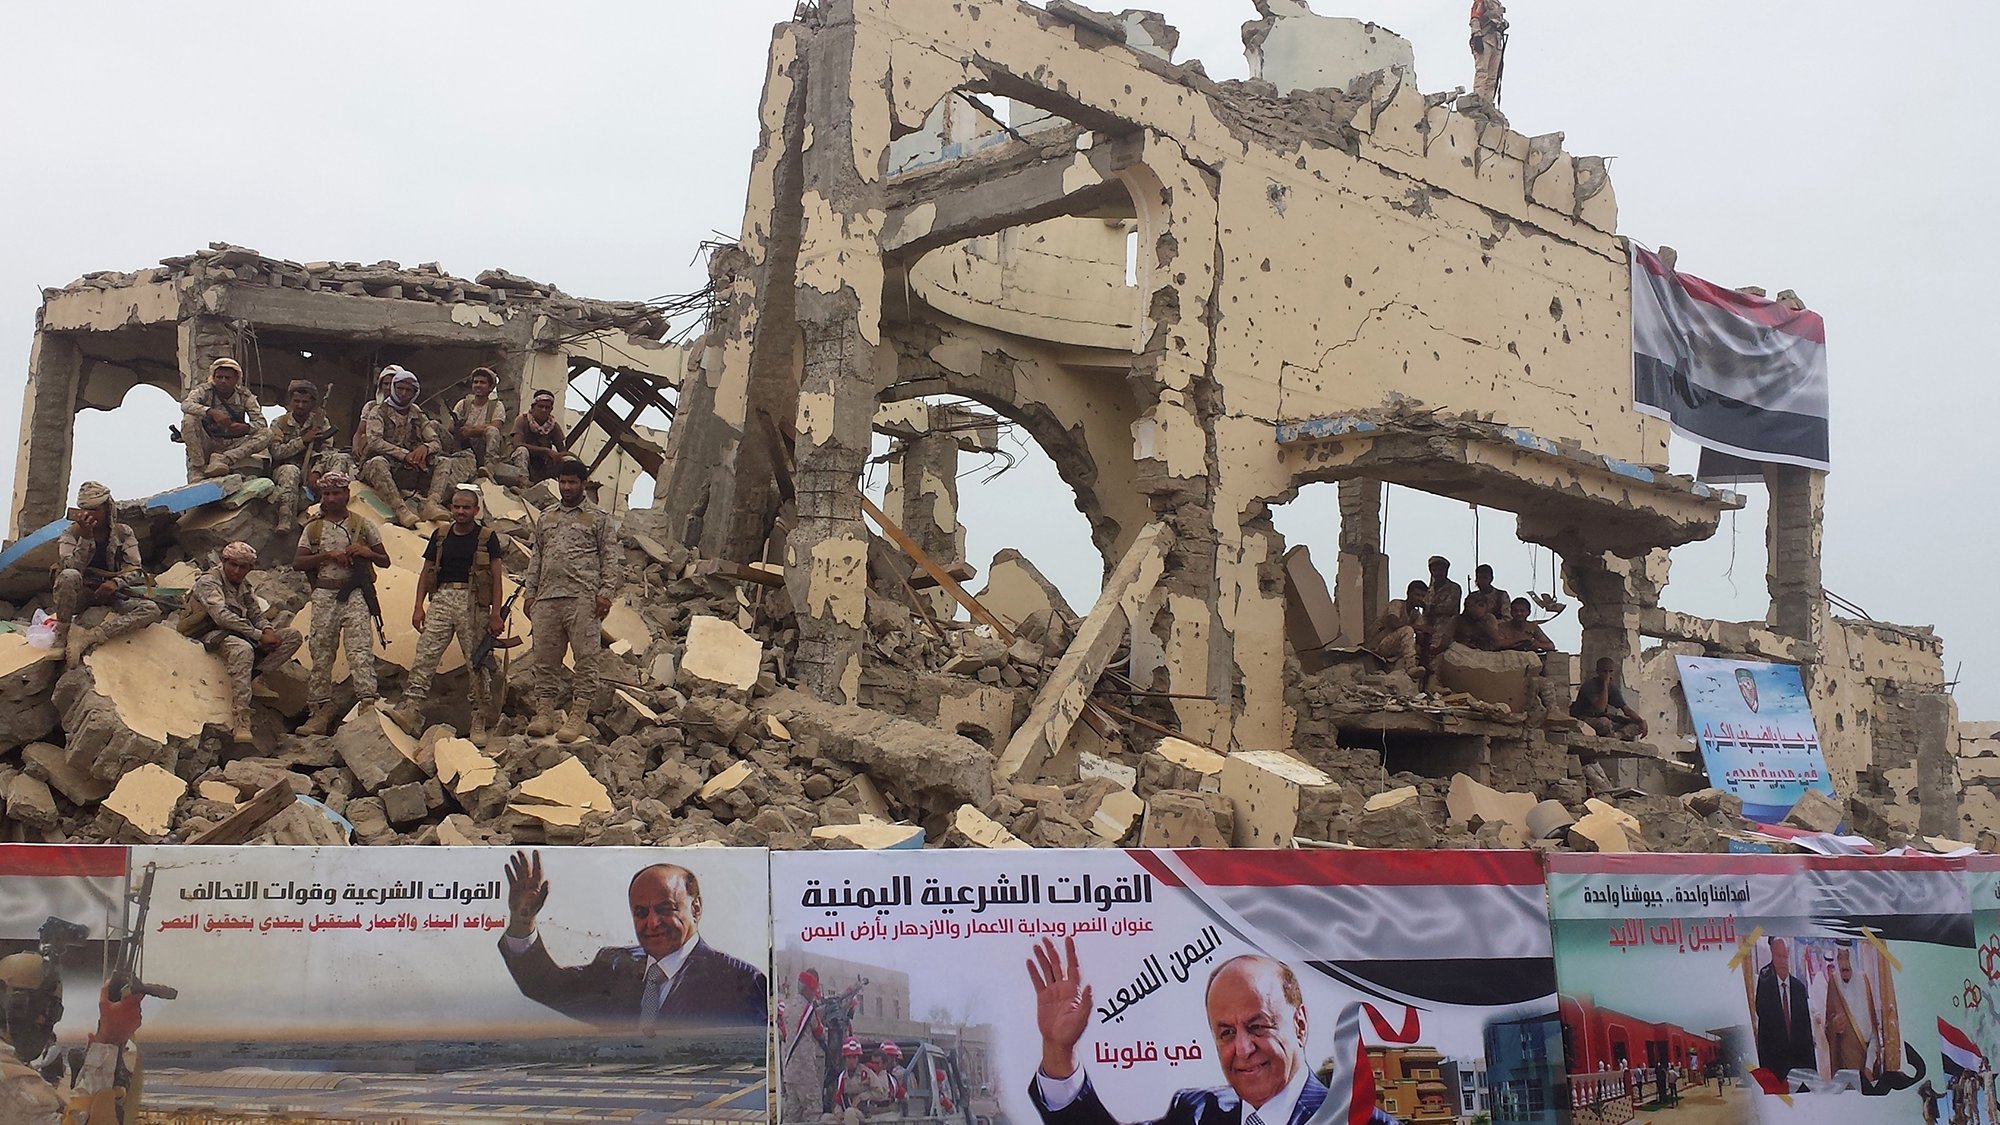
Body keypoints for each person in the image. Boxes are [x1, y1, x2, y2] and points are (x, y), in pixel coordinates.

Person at [1026, 937, 1399, 1125]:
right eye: (1226, 1033)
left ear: (1299, 1024)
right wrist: (1059, 1049)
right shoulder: (1197, 1112)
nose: (1243, 1048)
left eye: (1257, 1026)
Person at [497, 850, 768, 1029]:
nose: (652, 923)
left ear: (695, 908)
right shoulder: (615, 965)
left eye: (665, 909)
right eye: (641, 913)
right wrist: (522, 921)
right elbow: (546, 987)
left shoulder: (739, 981)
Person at [388, 486, 506, 745]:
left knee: (476, 662)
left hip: (473, 603)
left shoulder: (487, 538)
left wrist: (496, 614)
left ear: (476, 510)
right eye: (457, 506)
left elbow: (497, 578)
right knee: (425, 654)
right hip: (441, 599)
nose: (461, 511)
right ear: (451, 508)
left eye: (466, 507)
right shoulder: (441, 535)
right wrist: (418, 606)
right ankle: (411, 708)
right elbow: (426, 571)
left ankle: (479, 718)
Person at [523, 460, 619, 741]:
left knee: (586, 659)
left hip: (583, 598)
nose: (566, 487)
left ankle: (578, 715)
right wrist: (530, 593)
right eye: (562, 482)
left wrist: (605, 593)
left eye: (572, 482)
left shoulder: (598, 518)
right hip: (547, 598)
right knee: (545, 659)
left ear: (583, 483)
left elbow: (610, 558)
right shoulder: (546, 517)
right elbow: (537, 557)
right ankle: (544, 713)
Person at [293, 471, 391, 736]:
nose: (331, 498)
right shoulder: (313, 528)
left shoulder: (362, 524)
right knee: (321, 652)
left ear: (347, 494)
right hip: (325, 594)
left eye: (336, 493)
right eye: (326, 494)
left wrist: (366, 552)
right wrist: (327, 555)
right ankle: (318, 712)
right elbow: (298, 562)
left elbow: (385, 560)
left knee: (360, 651)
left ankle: (367, 704)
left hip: (355, 592)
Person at [0, 952, 144, 1124]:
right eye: (33, 1006)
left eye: (52, 1011)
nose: (42, 1019)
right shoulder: (9, 1080)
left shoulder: (14, 1068)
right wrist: (108, 1041)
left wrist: (102, 1052)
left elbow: (69, 1115)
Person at [182, 541, 304, 743]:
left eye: (243, 567)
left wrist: (268, 630)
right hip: (207, 632)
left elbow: (255, 613)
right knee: (243, 649)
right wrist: (258, 635)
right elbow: (221, 616)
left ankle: (252, 677)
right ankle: (241, 717)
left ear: (250, 568)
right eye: (233, 565)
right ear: (224, 561)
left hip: (238, 631)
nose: (237, 571)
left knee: (292, 637)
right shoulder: (209, 581)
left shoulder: (243, 585)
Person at [51, 481, 161, 664]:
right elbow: (72, 568)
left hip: (111, 593)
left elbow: (135, 568)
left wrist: (115, 583)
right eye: (85, 510)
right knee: (69, 576)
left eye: (95, 510)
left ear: (107, 509)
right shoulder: (71, 534)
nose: (90, 514)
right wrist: (86, 537)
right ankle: (61, 635)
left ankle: (90, 637)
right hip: (81, 594)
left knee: (151, 609)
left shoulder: (123, 532)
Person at [357, 365, 475, 528]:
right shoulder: (378, 411)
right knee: (378, 462)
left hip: (408, 467)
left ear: (415, 393)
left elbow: (435, 441)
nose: (403, 394)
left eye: (408, 390)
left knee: (444, 461)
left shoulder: (416, 413)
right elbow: (375, 441)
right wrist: (404, 454)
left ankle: (431, 504)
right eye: (400, 388)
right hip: (381, 466)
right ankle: (401, 511)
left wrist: (425, 448)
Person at [255, 380, 337, 533]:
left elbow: (327, 451)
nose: (300, 405)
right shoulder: (280, 422)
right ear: (290, 401)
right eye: (296, 401)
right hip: (285, 468)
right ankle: (286, 519)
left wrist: (317, 471)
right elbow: (277, 452)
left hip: (311, 469)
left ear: (312, 404)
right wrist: (303, 441)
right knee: (290, 471)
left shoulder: (320, 422)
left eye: (305, 402)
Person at [182, 357, 268, 482]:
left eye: (228, 378)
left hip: (233, 444)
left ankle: (224, 459)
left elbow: (261, 423)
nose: (223, 381)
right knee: (189, 419)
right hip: (209, 440)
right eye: (219, 377)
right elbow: (186, 405)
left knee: (266, 433)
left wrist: (246, 428)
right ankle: (198, 468)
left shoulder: (245, 396)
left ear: (236, 379)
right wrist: (211, 412)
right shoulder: (204, 390)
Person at [1753, 938, 1817, 1087]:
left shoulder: (1799, 989)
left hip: (1800, 1070)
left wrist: (1812, 1073)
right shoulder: (1765, 986)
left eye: (1785, 957)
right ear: (1772, 956)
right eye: (1778, 956)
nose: (1782, 961)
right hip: (1776, 1069)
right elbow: (1764, 1030)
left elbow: (1806, 1033)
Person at [1823, 942, 1880, 1079]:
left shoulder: (1864, 982)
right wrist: (1834, 1027)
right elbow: (1828, 1028)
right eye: (1840, 958)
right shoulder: (1834, 984)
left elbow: (1874, 1033)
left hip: (1868, 1067)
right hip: (1845, 1070)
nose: (1844, 964)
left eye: (1847, 957)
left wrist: (1869, 1066)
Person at [781, 970, 831, 1121]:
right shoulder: (808, 1010)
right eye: (813, 990)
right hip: (805, 1071)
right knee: (813, 1111)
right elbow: (820, 1033)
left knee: (792, 1114)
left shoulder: (788, 1009)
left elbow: (785, 1034)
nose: (814, 994)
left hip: (789, 1071)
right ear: (808, 989)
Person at [451, 366, 511, 476]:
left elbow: (496, 427)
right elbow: (450, 427)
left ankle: (489, 466)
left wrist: (471, 431)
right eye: (475, 382)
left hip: (482, 447)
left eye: (482, 382)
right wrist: (459, 430)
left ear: (490, 387)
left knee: (492, 431)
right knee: (434, 425)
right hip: (461, 446)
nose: (478, 385)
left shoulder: (496, 405)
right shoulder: (463, 404)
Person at [1571, 657, 1648, 739]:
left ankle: (1617, 735)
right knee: (1605, 723)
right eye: (1604, 672)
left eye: (1610, 671)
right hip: (1584, 718)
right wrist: (1605, 685)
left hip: (1602, 718)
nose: (1608, 675)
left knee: (1636, 724)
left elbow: (1626, 709)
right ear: (1598, 672)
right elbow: (1600, 708)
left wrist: (1641, 721)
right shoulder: (1589, 686)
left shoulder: (1612, 688)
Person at [1366, 580, 1427, 677]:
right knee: (1408, 630)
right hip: (1380, 644)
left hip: (1394, 648)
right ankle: (1410, 667)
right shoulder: (1397, 604)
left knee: (1418, 648)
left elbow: (1421, 638)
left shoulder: (1415, 614)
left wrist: (1426, 612)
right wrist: (1418, 627)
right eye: (1417, 595)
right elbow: (1393, 622)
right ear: (1408, 594)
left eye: (1423, 596)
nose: (1420, 598)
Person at [511, 388, 570, 483]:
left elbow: (562, 450)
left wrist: (556, 456)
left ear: (551, 409)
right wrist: (545, 451)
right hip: (526, 460)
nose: (543, 410)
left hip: (544, 464)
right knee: (521, 451)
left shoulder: (553, 425)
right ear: (533, 407)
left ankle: (568, 484)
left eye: (547, 407)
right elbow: (517, 444)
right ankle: (522, 483)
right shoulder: (522, 420)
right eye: (540, 406)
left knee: (568, 460)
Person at [836, 1039, 895, 1125]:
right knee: (825, 1118)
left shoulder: (866, 1073)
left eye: (854, 1057)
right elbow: (838, 1099)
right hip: (847, 1109)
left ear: (858, 1058)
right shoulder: (842, 1076)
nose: (851, 1061)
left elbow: (881, 1093)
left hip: (865, 1112)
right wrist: (838, 1112)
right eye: (849, 1057)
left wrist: (863, 1096)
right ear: (844, 1059)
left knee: (850, 1113)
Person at [1417, 556, 1461, 671]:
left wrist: (1429, 607)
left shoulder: (1454, 588)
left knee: (1437, 650)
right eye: (1435, 570)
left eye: (1441, 570)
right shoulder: (1428, 590)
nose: (1438, 573)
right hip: (1427, 626)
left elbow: (1449, 608)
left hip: (1446, 626)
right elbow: (1423, 609)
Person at [1458, 564, 1510, 649]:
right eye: (1480, 577)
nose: (1482, 581)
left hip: (1495, 634)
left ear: (1491, 578)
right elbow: (1464, 617)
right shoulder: (1472, 596)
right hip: (1473, 635)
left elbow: (1507, 618)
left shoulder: (1501, 595)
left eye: (1485, 578)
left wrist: (1489, 624)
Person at [1468, 0, 1509, 109]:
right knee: (1482, 71)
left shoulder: (1497, 4)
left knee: (1492, 77)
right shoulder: (1483, 2)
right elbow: (1475, 18)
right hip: (1485, 39)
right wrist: (1476, 34)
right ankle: (1478, 99)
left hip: (1496, 41)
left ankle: (1488, 103)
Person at [1489, 598, 1556, 654]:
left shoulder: (1533, 627)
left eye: (1522, 611)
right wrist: (1522, 639)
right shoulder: (1502, 627)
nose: (1519, 613)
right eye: (1516, 611)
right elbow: (1498, 644)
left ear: (1528, 612)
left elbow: (1550, 645)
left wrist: (1537, 644)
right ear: (1511, 612)